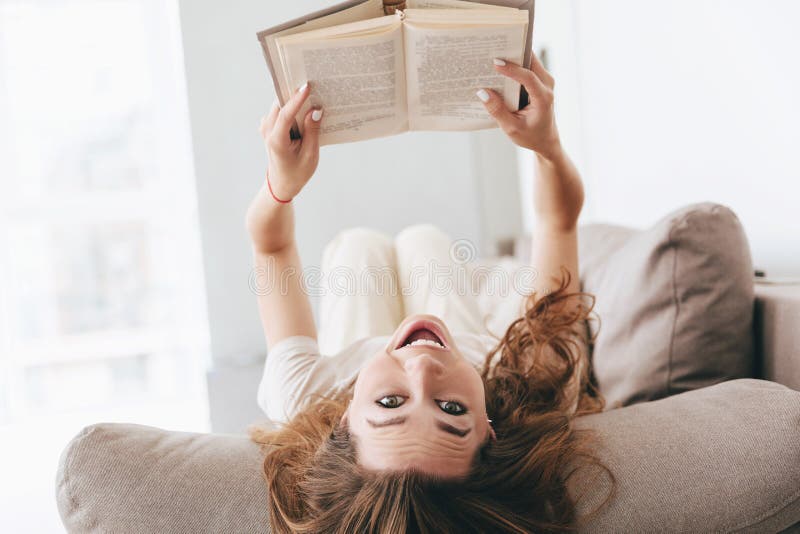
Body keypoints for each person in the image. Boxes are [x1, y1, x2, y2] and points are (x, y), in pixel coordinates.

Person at [247, 55, 614, 533]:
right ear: (490, 430)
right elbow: (558, 223)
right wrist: (547, 148)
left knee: (358, 248)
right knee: (423, 241)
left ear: (341, 425)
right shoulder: (532, 379)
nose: (422, 370)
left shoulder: (304, 396)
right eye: (452, 410)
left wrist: (279, 183)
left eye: (390, 405)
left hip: (354, 358)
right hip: (469, 343)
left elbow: (270, 247)